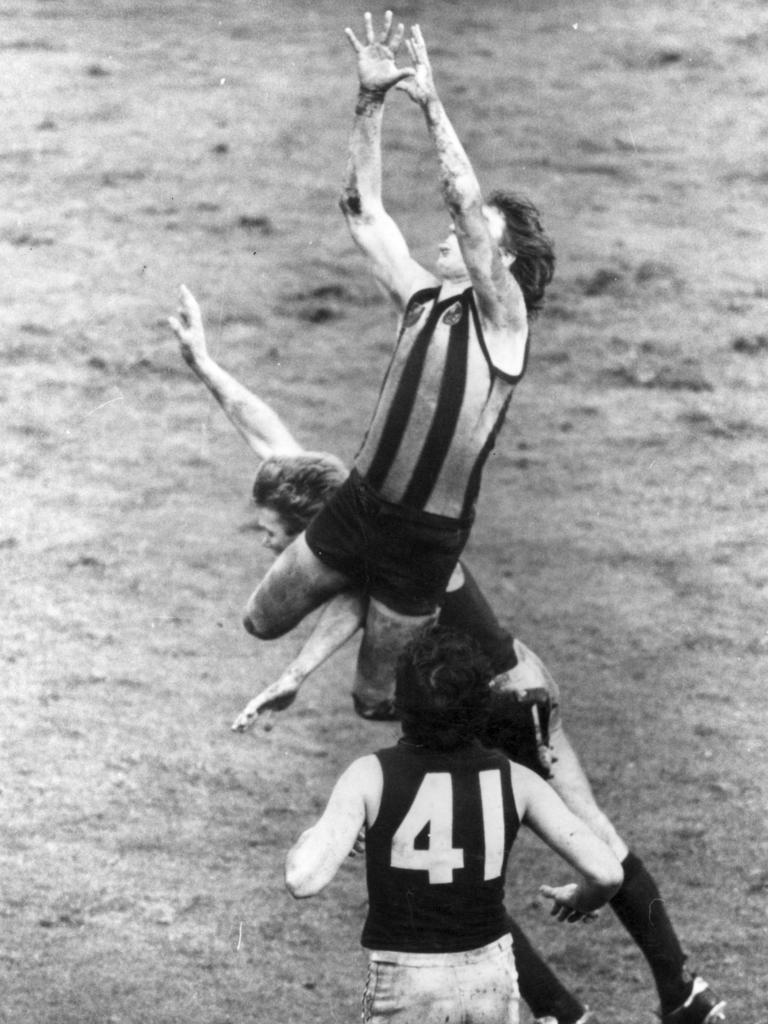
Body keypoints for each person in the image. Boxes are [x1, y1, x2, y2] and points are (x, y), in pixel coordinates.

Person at [168, 284, 727, 1024]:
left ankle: (665, 996)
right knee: (469, 877)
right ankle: (648, 1003)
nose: (268, 545)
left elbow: (349, 604)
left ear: (304, 524)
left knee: (540, 858)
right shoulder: (350, 513)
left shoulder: (370, 546)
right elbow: (271, 438)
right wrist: (205, 365)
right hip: (483, 693)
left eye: (271, 532)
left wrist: (294, 674)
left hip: (507, 699)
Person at [240, 13, 556, 720]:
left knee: (372, 700)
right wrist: (372, 99)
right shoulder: (419, 295)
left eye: (472, 239)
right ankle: (364, 600)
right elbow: (361, 209)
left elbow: (466, 207)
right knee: (258, 620)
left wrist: (433, 103)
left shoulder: (505, 323)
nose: (449, 236)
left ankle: (501, 721)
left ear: (501, 262)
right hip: (359, 506)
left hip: (422, 541)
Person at [285, 625, 624, 1024]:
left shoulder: (369, 776)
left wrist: (319, 835)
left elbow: (302, 879)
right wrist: (582, 898)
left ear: (400, 702)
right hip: (490, 973)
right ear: (484, 705)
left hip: (407, 980)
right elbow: (606, 872)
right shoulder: (518, 780)